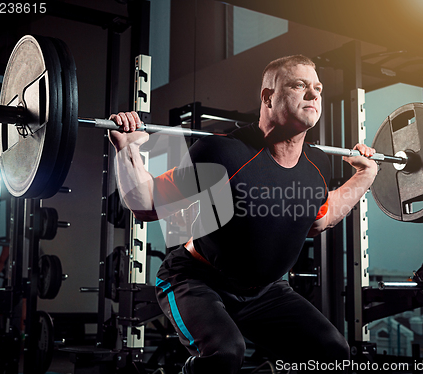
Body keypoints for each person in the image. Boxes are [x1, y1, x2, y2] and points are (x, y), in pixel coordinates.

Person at [108, 55, 377, 374]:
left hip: (269, 291)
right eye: (299, 85)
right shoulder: (223, 153)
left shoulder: (318, 164)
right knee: (224, 355)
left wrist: (364, 176)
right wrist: (127, 147)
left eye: (317, 87)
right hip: (196, 279)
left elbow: (320, 220)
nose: (313, 94)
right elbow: (147, 204)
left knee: (332, 352)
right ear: (268, 96)